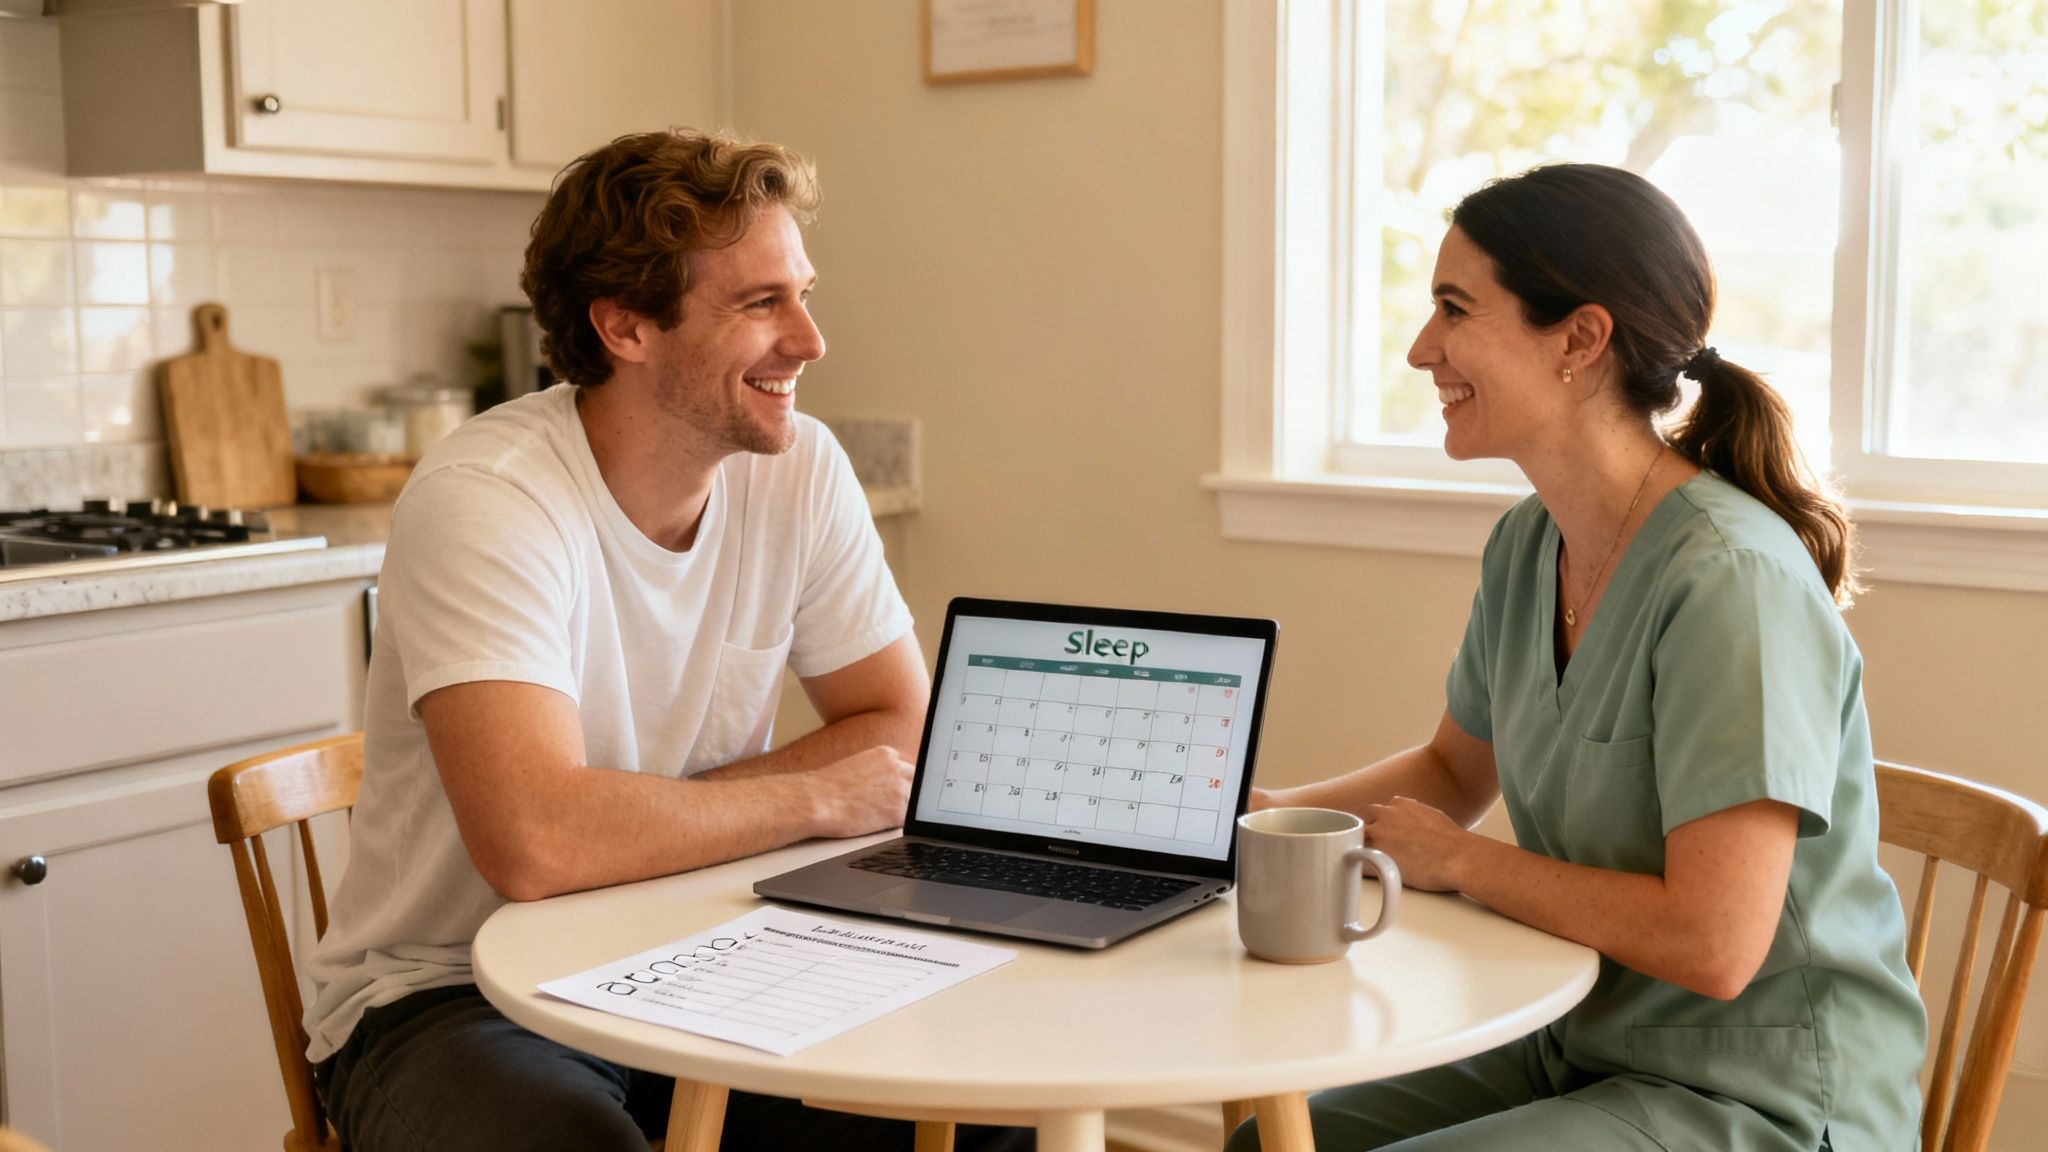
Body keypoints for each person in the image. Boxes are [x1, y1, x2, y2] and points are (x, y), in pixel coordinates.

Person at [302, 130, 1017, 1152]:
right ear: (624, 328)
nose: (809, 339)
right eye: (759, 303)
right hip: (451, 994)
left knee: (973, 1112)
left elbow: (900, 729)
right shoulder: (490, 502)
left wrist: (641, 820)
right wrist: (808, 797)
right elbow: (535, 844)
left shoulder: (799, 468)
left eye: (801, 292)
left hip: (704, 955)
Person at [1227, 164, 1926, 1152]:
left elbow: (1715, 942)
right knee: (1265, 1142)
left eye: (1453, 309)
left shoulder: (1728, 579)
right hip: (1580, 1042)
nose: (1420, 348)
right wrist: (1248, 822)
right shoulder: (1527, 544)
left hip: (1756, 1097)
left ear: (1579, 339)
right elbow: (1447, 771)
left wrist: (1465, 864)